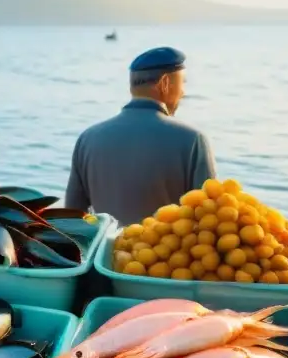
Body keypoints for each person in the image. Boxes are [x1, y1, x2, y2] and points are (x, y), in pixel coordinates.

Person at [65, 47, 216, 226]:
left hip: (108, 252)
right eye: (183, 83)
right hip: (166, 254)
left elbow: (72, 218)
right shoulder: (192, 140)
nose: (183, 93)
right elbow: (210, 219)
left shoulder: (87, 139)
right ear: (165, 83)